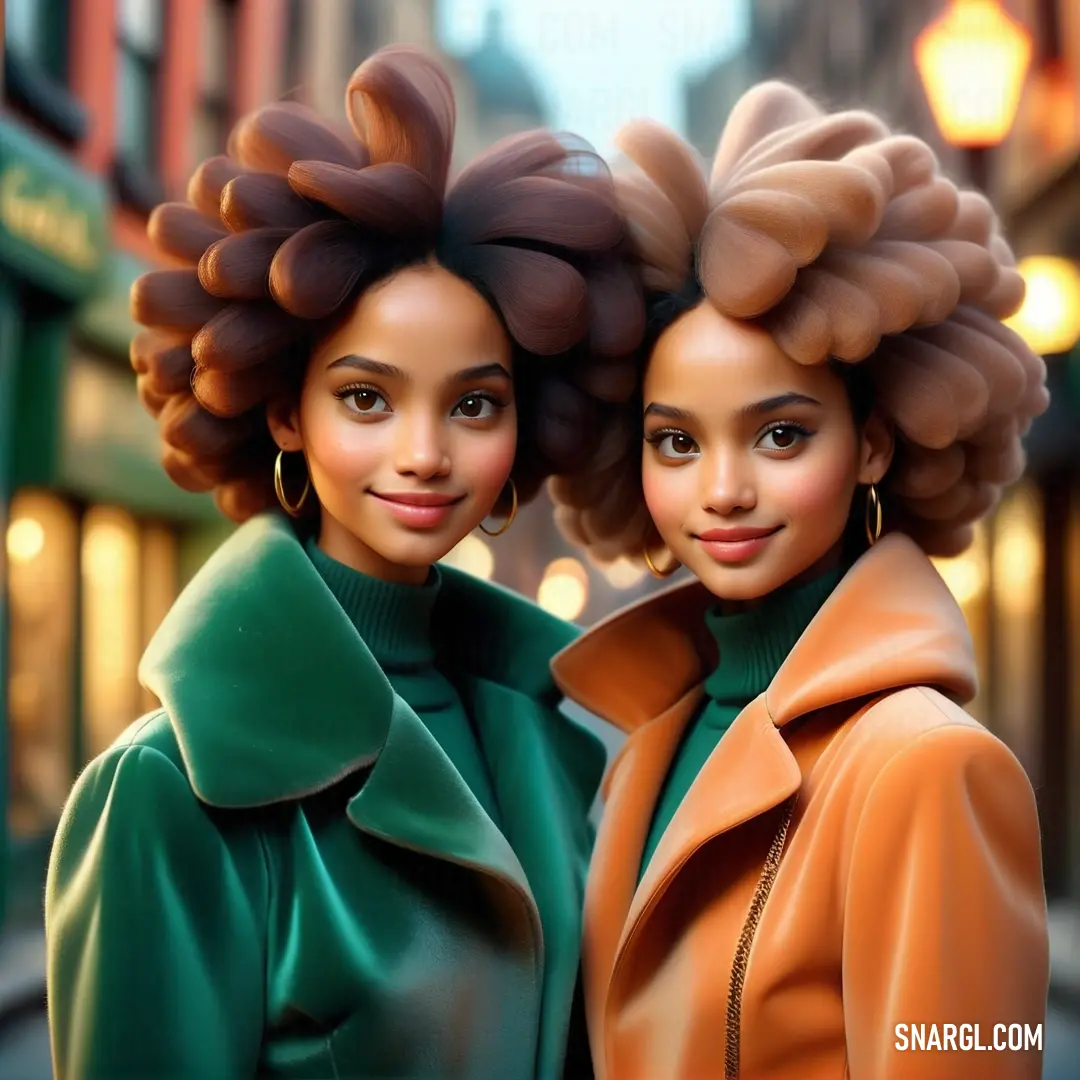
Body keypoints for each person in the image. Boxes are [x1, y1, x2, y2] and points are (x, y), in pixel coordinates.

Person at [45, 46, 643, 1080]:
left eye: (473, 404)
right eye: (367, 397)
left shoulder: (553, 742)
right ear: (286, 409)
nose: (424, 452)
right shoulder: (166, 793)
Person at [547, 82, 1051, 1080]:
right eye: (676, 442)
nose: (724, 490)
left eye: (781, 434)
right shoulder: (647, 742)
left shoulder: (926, 768)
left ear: (870, 445)